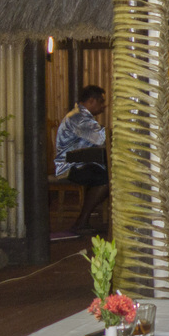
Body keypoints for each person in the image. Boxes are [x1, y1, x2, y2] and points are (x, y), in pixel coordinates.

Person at [54, 85, 109, 235]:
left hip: (79, 164)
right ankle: (81, 222)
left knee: (106, 175)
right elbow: (101, 138)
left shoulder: (81, 116)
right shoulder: (79, 118)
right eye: (101, 102)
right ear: (91, 101)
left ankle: (83, 221)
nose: (103, 106)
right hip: (70, 167)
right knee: (107, 179)